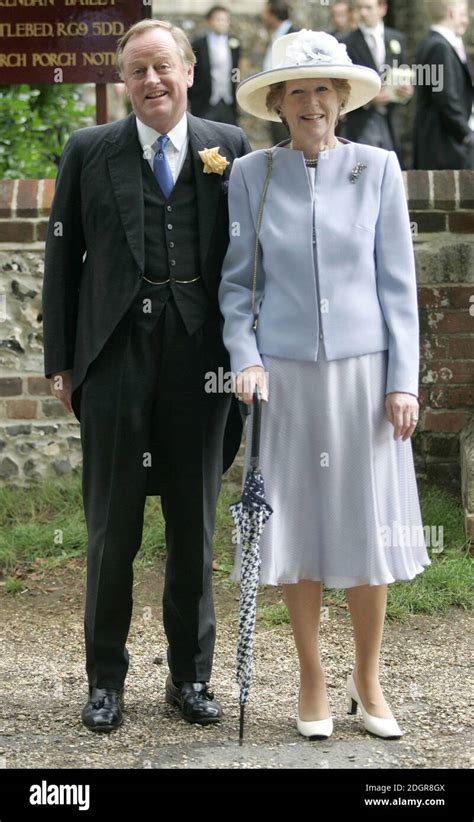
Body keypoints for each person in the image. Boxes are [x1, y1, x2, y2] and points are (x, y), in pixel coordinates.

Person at [218, 29, 431, 741]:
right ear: (278, 104)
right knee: (293, 527)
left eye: (323, 90)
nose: (312, 103)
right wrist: (243, 355)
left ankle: (367, 676)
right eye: (297, 92)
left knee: (366, 526)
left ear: (341, 99)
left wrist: (403, 379)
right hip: (283, 381)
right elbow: (237, 285)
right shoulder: (252, 175)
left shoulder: (377, 168)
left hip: (366, 379)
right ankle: (311, 674)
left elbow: (398, 286)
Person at [42, 19, 251, 732]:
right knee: (112, 528)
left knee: (194, 525)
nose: (151, 82)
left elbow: (253, 259)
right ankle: (105, 681)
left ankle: (190, 679)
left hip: (204, 360)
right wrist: (62, 361)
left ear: (189, 71)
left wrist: (254, 356)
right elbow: (61, 262)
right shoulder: (88, 149)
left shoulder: (231, 146)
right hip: (115, 358)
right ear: (123, 81)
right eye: (137, 71)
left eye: (163, 67)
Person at [340, 0, 413, 161]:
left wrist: (406, 92)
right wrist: (369, 99)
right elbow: (344, 86)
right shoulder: (347, 42)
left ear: (382, 8)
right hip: (362, 122)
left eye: (368, 7)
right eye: (359, 8)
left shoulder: (397, 38)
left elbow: (403, 72)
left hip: (392, 120)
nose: (363, 12)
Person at [414, 0, 473, 170]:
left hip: (435, 142)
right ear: (452, 13)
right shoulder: (439, 47)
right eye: (463, 14)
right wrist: (465, 134)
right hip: (444, 145)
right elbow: (445, 96)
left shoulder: (428, 44)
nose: (465, 20)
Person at [188, 5, 241, 125]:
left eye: (225, 20)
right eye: (218, 19)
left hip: (228, 100)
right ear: (209, 21)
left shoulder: (234, 43)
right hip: (205, 101)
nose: (222, 23)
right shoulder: (198, 44)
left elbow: (236, 70)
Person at [261, 0, 300, 145]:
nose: (262, 16)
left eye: (265, 12)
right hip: (277, 101)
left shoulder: (294, 36)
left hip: (288, 100)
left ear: (272, 14)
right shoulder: (276, 36)